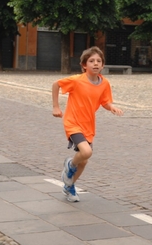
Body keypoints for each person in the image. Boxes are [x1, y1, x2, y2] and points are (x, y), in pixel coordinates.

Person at [52, 46, 124, 202]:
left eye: (99, 61)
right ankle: (70, 164)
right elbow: (56, 84)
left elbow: (105, 101)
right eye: (91, 61)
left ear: (103, 65)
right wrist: (56, 106)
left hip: (88, 125)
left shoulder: (104, 83)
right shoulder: (77, 80)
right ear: (84, 65)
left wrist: (111, 107)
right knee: (86, 152)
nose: (95, 63)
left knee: (83, 161)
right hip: (72, 122)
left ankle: (69, 186)